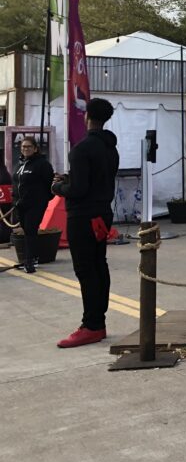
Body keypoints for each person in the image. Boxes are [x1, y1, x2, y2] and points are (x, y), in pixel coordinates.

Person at [51, 98, 119, 348]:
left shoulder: (81, 149)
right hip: (102, 213)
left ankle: (91, 325)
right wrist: (71, 179)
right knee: (99, 265)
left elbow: (78, 189)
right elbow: (96, 180)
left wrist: (59, 186)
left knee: (85, 270)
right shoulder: (110, 146)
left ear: (87, 115)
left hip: (82, 216)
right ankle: (97, 321)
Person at [12, 136, 54, 274]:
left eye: (29, 147)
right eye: (23, 147)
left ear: (35, 148)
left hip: (35, 204)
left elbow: (50, 184)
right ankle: (33, 257)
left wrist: (43, 200)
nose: (25, 149)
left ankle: (29, 261)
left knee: (30, 229)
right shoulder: (19, 165)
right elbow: (16, 183)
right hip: (20, 204)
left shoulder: (42, 164)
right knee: (27, 231)